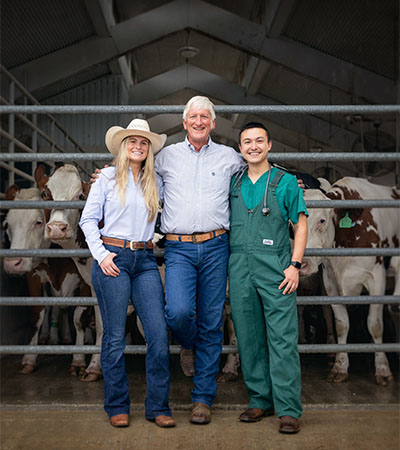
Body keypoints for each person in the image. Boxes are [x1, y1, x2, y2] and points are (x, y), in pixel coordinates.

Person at [80, 119, 175, 429]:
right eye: (132, 141)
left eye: (143, 142)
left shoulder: (154, 181)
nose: (138, 146)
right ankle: (117, 405)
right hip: (114, 256)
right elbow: (88, 221)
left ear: (149, 149)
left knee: (158, 335)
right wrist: (102, 255)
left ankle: (158, 406)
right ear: (123, 146)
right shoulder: (107, 177)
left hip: (146, 259)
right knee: (115, 336)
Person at [154, 96, 244, 424]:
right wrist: (104, 177)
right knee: (177, 312)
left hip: (217, 244)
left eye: (205, 116)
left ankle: (202, 397)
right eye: (193, 116)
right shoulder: (165, 157)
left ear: (213, 122)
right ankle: (187, 343)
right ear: (184, 122)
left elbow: (256, 173)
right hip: (178, 248)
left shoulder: (230, 157)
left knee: (211, 320)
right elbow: (135, 174)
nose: (199, 121)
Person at [228, 122, 308, 434]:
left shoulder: (285, 182)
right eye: (247, 142)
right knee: (247, 337)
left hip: (276, 267)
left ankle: (288, 408)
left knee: (283, 339)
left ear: (269, 145)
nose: (253, 146)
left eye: (259, 141)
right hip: (239, 267)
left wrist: (295, 265)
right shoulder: (232, 182)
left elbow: (300, 225)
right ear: (240, 149)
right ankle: (260, 399)